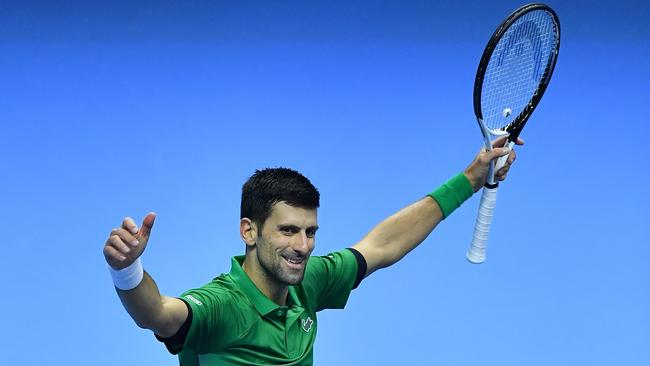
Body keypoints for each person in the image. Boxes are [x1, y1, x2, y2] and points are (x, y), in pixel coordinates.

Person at [104, 137, 522, 365]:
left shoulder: (309, 281)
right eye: (288, 231)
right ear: (249, 231)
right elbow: (156, 314)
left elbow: (381, 245)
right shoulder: (220, 306)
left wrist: (469, 180)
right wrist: (127, 269)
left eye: (310, 232)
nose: (302, 247)